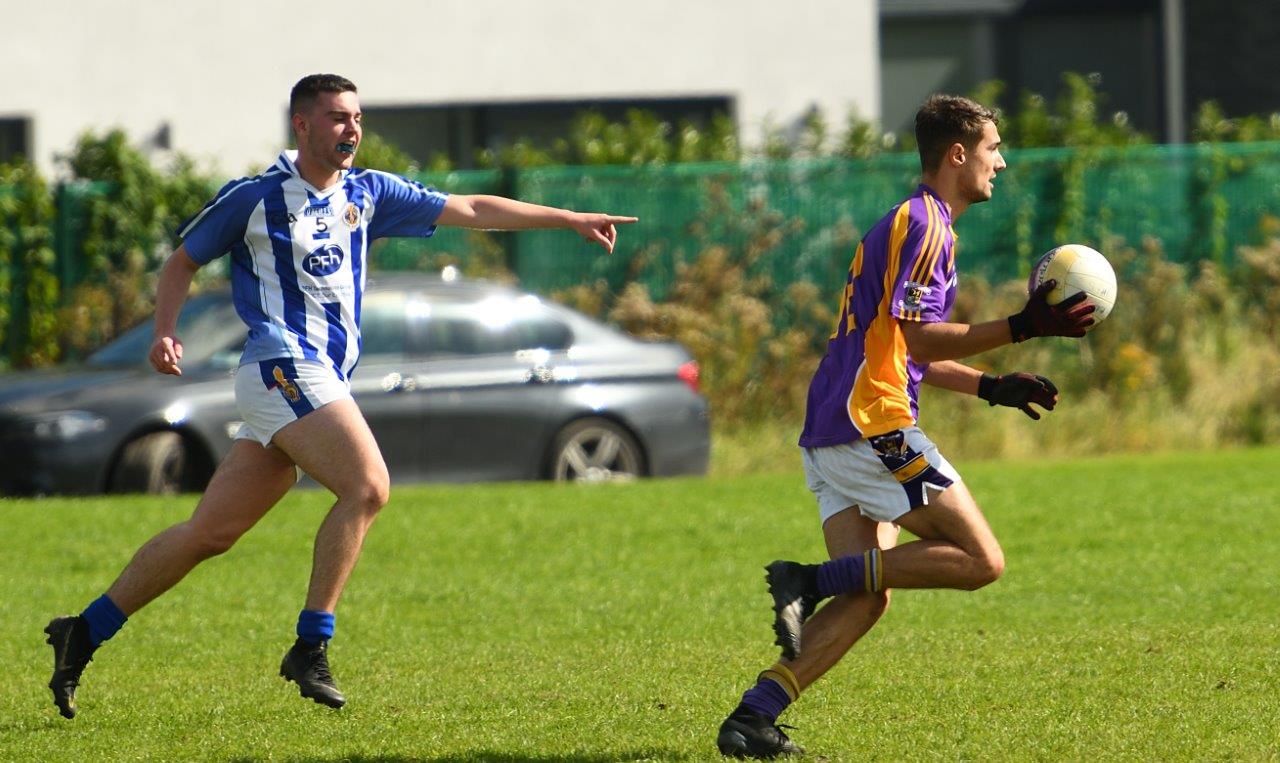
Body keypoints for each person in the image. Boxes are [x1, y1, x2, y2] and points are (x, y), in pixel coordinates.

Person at [43, 73, 637, 719]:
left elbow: (468, 210)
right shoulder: (256, 197)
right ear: (301, 126)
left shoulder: (369, 191)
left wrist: (568, 218)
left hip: (312, 376)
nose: (351, 128)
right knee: (368, 486)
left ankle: (85, 629)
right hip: (280, 364)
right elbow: (181, 261)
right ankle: (311, 644)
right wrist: (163, 332)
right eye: (335, 117)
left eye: (356, 117)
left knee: (209, 532)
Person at [714, 94, 1095, 758]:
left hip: (831, 431)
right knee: (982, 560)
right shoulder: (928, 227)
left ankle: (754, 715)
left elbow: (893, 344)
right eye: (991, 148)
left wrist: (991, 386)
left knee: (871, 592)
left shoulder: (910, 221)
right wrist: (1023, 325)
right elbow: (917, 343)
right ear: (957, 154)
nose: (1000, 162)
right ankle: (808, 581)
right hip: (874, 427)